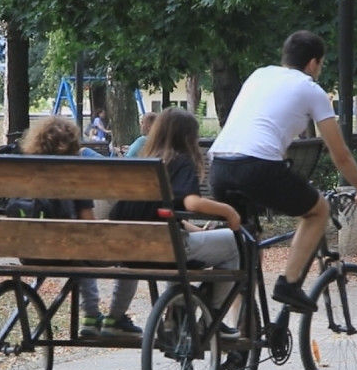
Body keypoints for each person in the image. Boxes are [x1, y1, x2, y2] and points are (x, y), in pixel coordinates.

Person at [208, 30, 357, 313]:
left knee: (246, 254)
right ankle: (288, 283)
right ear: (313, 63)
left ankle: (240, 342)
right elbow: (340, 154)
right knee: (318, 210)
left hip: (221, 166)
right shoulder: (311, 90)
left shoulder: (259, 75)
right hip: (257, 167)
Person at [106, 107, 242, 338]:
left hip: (132, 247)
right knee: (236, 243)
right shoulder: (179, 162)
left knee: (180, 245)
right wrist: (229, 212)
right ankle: (211, 317)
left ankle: (122, 317)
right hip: (166, 250)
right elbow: (192, 204)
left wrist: (195, 229)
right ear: (188, 138)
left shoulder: (142, 163)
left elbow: (160, 213)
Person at [20, 116, 105, 337]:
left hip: (27, 250)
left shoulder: (23, 174)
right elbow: (88, 221)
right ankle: (91, 314)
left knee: (79, 252)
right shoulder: (75, 177)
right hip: (65, 250)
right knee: (84, 255)